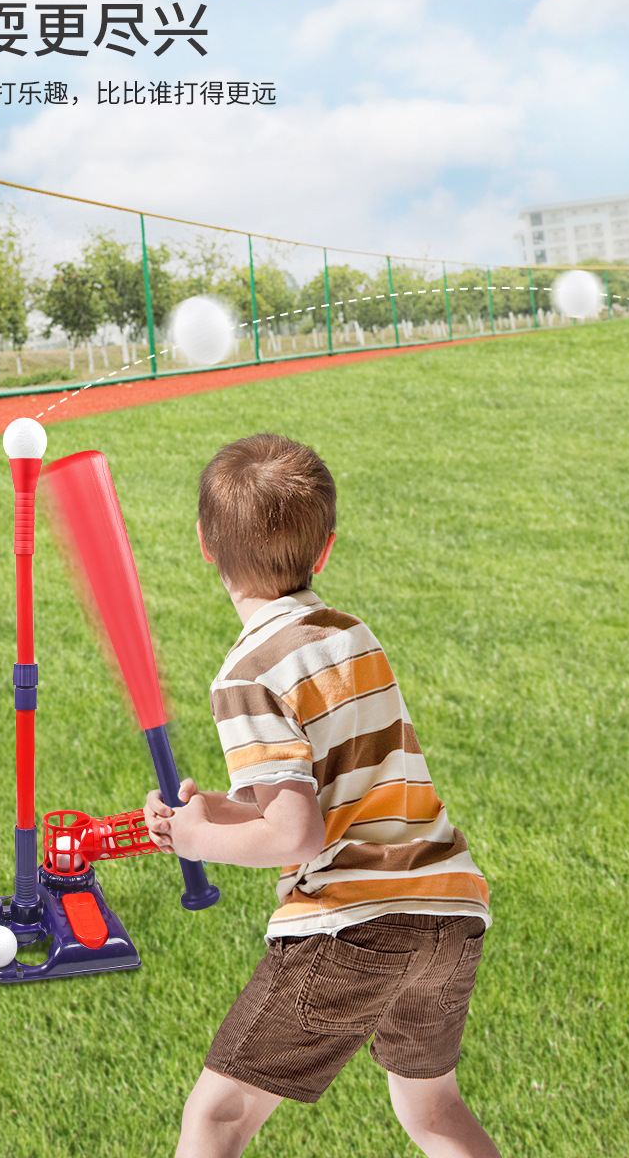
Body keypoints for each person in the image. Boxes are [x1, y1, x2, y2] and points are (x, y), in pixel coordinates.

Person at [144, 434, 501, 1158]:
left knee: (218, 1117)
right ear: (326, 549)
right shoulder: (351, 635)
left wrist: (196, 841)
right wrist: (213, 811)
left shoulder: (247, 673)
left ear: (205, 545)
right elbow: (331, 791)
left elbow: (296, 836)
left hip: (352, 923)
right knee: (433, 1111)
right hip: (447, 911)